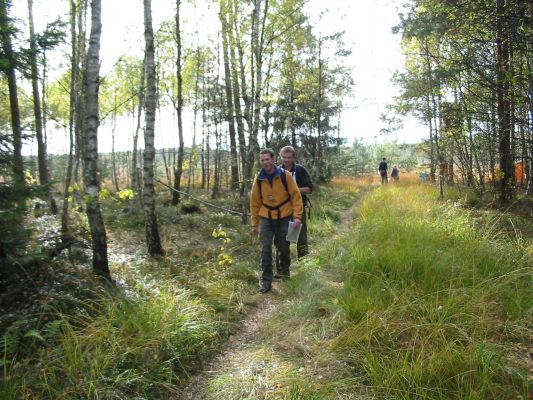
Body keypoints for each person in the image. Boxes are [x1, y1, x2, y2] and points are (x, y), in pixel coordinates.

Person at [250, 149, 304, 293]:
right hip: (266, 218)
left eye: (267, 159)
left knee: (283, 247)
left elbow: (296, 196)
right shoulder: (259, 179)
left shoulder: (284, 176)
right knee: (265, 248)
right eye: (262, 160)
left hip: (284, 216)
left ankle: (284, 272)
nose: (265, 163)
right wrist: (254, 224)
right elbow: (254, 203)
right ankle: (266, 280)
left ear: (273, 159)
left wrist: (297, 217)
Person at [278, 145, 313, 267]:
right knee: (282, 238)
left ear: (293, 157)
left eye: (289, 157)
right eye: (284, 157)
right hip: (282, 210)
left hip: (299, 208)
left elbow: (309, 189)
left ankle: (304, 265)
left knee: (300, 237)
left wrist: (294, 190)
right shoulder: (277, 171)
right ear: (281, 157)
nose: (287, 160)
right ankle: (283, 267)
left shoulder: (300, 170)